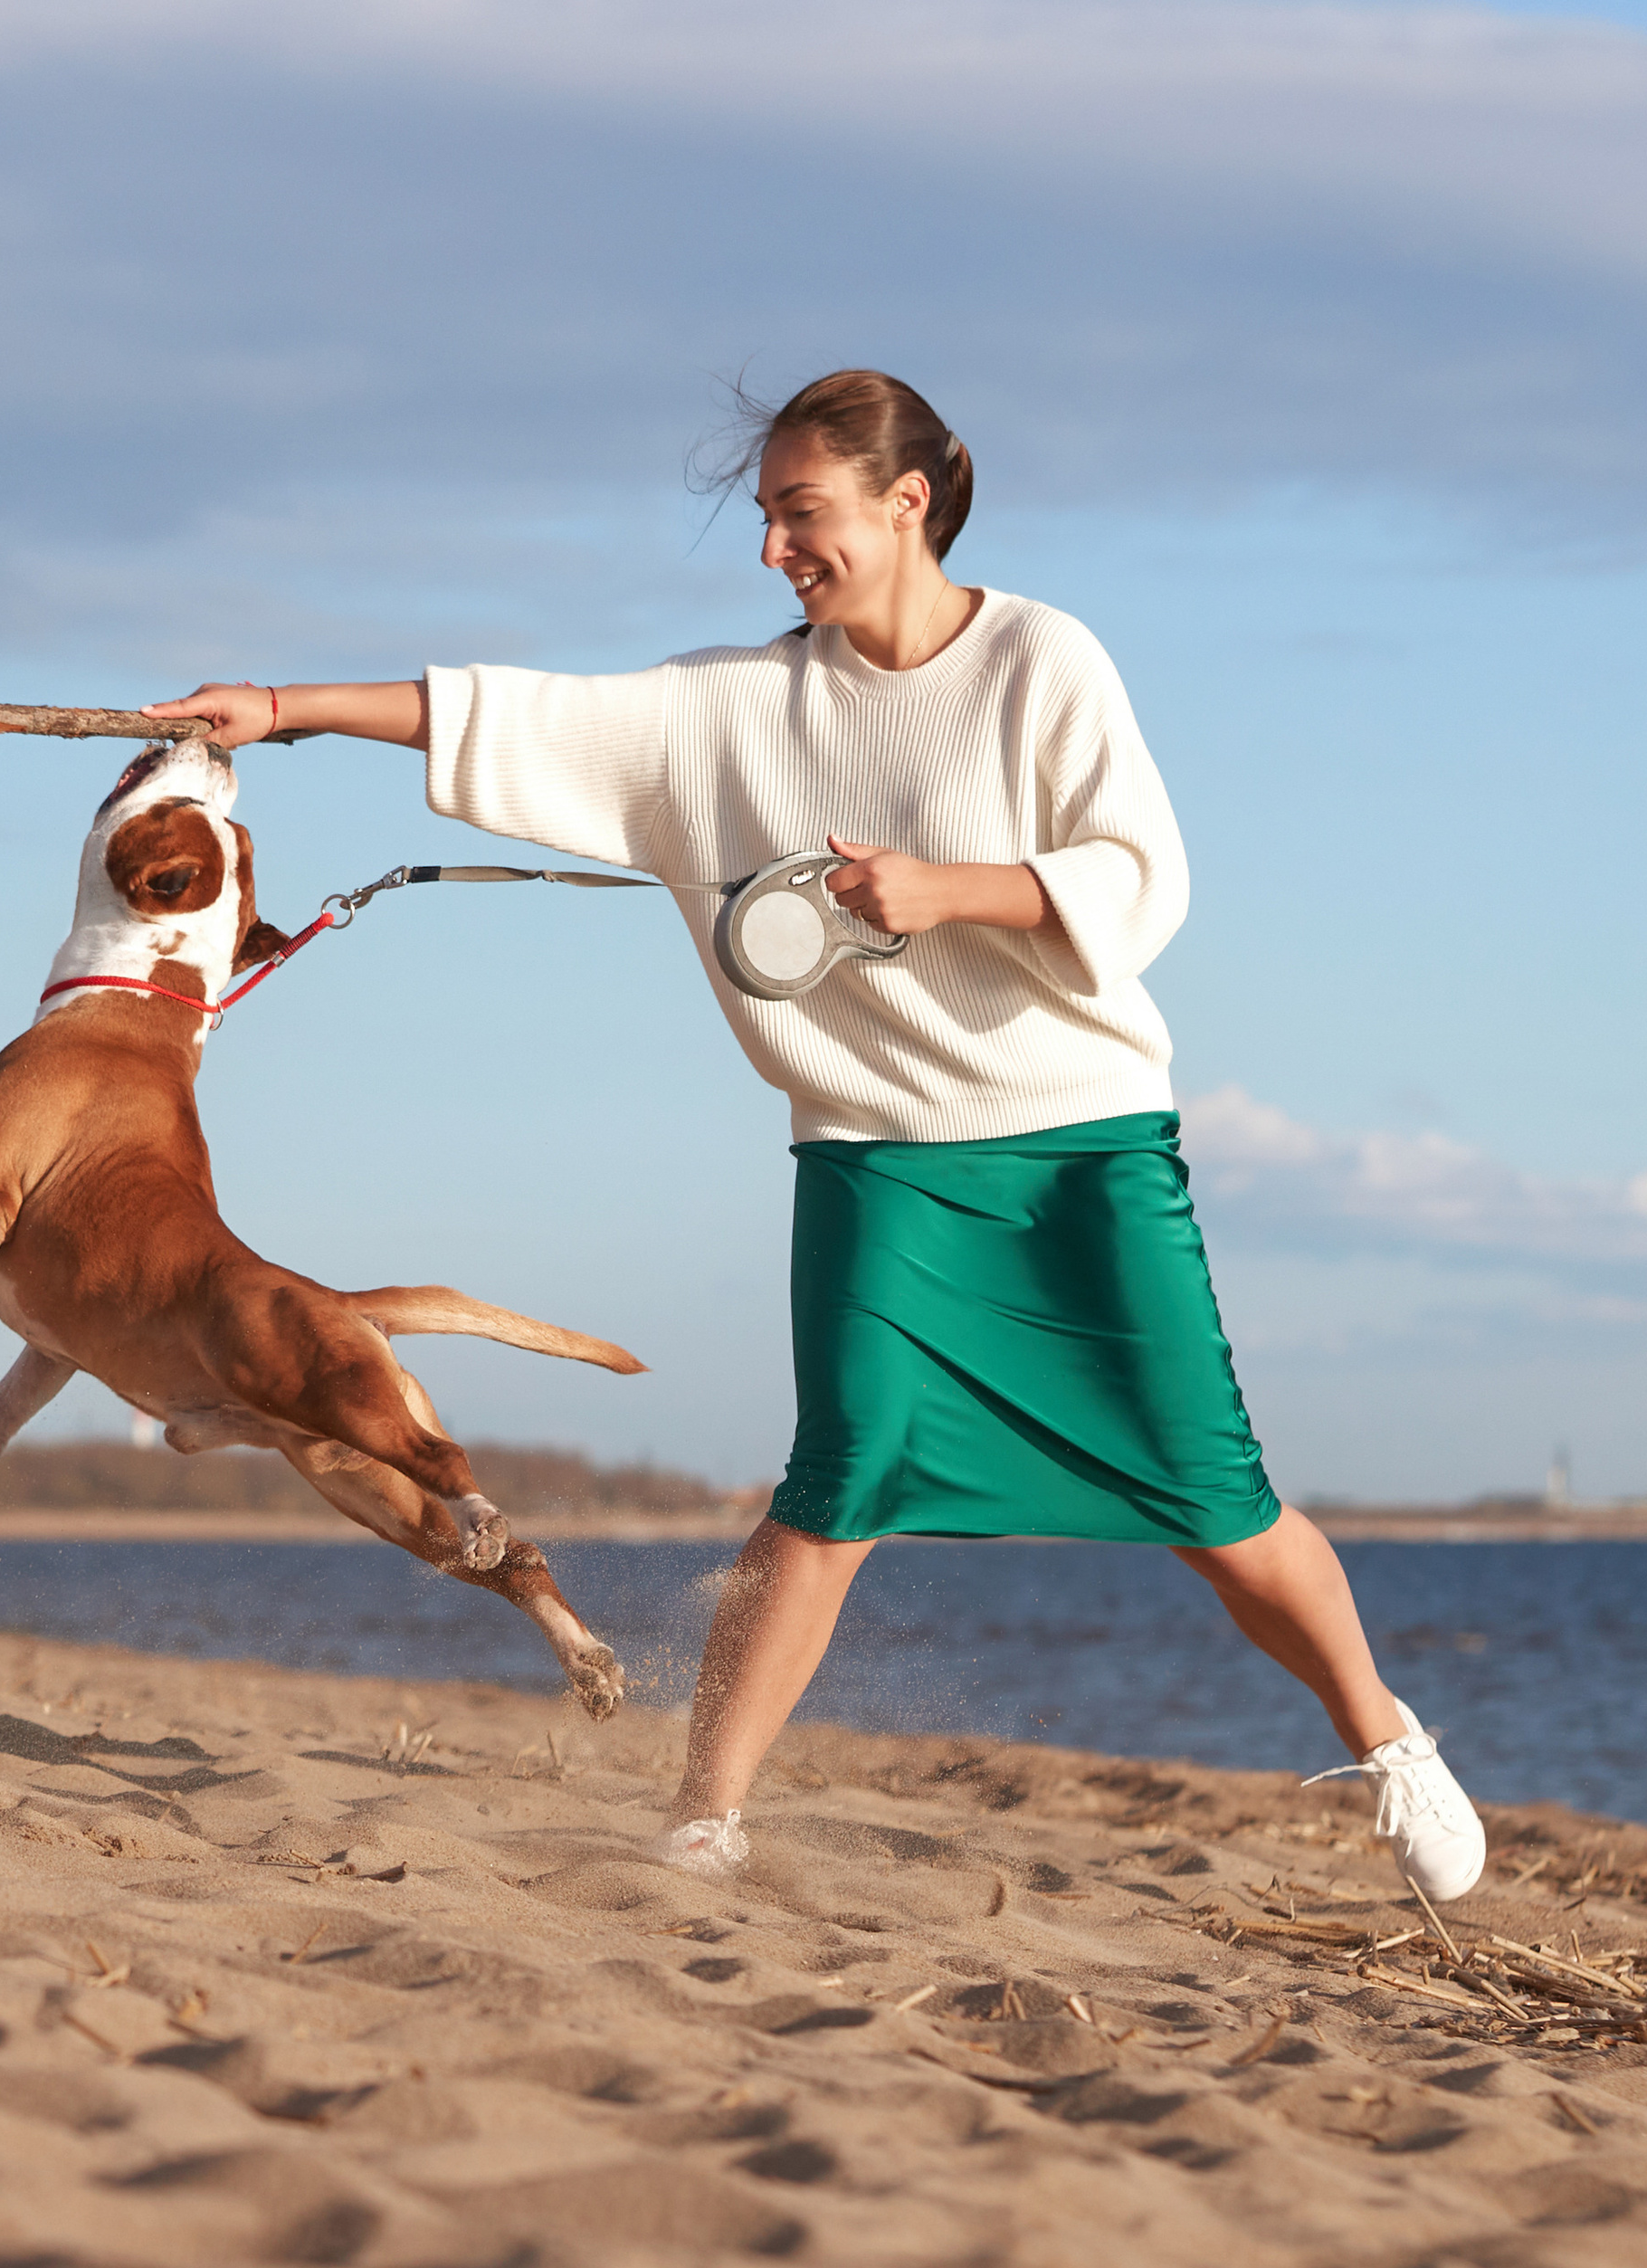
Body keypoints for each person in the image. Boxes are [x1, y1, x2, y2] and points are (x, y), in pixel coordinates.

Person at [146, 368, 1487, 1902]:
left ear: (906, 501)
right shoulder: (732, 706)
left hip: (1080, 1148)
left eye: (803, 511)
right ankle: (706, 1817)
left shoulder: (1043, 657)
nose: (777, 546)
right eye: (770, 515)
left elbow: (1141, 875)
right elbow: (515, 717)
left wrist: (945, 888)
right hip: (873, 1157)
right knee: (835, 1486)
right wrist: (284, 712)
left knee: (1212, 1496)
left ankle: (1387, 1740)